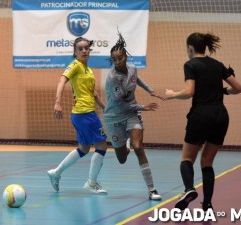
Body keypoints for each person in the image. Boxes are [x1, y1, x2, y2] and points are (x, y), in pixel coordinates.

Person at [165, 32, 241, 210]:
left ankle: (189, 189)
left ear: (190, 48)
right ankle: (207, 204)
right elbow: (238, 88)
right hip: (221, 116)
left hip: (201, 115)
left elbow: (189, 92)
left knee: (186, 158)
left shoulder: (191, 64)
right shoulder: (218, 65)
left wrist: (172, 95)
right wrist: (223, 92)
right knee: (207, 162)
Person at [103, 31, 164, 200]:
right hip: (114, 117)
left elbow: (136, 78)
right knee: (122, 158)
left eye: (120, 58)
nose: (117, 61)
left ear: (125, 57)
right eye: (114, 59)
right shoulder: (113, 78)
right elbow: (123, 102)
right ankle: (126, 142)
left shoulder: (132, 68)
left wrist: (151, 91)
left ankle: (152, 190)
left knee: (139, 147)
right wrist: (144, 107)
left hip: (131, 114)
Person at [47, 37, 108, 194]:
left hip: (83, 114)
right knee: (101, 144)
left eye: (86, 48)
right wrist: (58, 102)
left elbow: (92, 92)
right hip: (85, 113)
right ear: (75, 52)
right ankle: (91, 182)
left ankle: (56, 173)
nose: (84, 51)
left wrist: (104, 107)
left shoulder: (88, 70)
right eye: (80, 48)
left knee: (84, 148)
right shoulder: (75, 65)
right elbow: (62, 81)